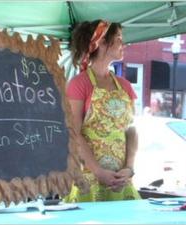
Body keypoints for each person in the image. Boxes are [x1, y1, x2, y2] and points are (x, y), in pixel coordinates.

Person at [64, 20, 141, 202]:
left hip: (120, 180)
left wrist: (129, 168)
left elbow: (131, 130)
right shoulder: (79, 84)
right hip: (88, 179)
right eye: (119, 39)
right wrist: (98, 171)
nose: (124, 44)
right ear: (102, 42)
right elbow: (73, 133)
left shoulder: (125, 86)